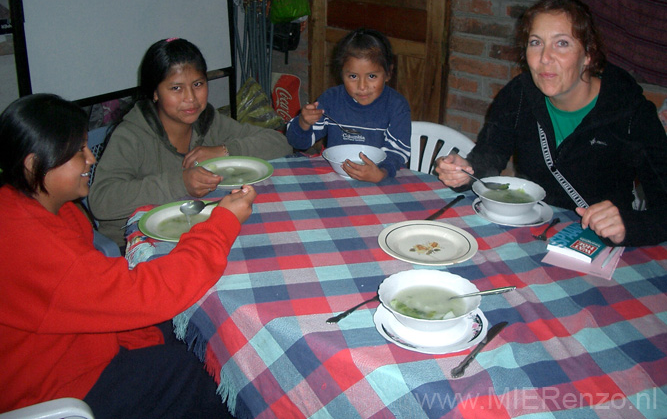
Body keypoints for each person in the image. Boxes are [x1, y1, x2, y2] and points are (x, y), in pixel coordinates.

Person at [0, 94, 256, 417]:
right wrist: (223, 224)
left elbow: (107, 292)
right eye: (78, 152)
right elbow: (146, 293)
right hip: (56, 388)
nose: (91, 159)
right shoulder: (29, 243)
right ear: (33, 164)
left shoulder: (47, 207)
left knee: (198, 331)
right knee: (194, 372)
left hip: (80, 343)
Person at [436, 0, 667, 247]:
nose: (545, 57)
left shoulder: (630, 112)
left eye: (562, 43)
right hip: (534, 234)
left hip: (603, 247)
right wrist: (465, 172)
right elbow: (488, 158)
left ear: (588, 54)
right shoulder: (518, 95)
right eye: (536, 43)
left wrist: (629, 225)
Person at [88, 38, 292, 247]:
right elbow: (102, 201)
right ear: (155, 93)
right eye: (176, 88)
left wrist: (225, 150)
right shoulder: (132, 135)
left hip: (191, 230)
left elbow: (280, 143)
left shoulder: (208, 122)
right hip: (137, 244)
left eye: (198, 84)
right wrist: (180, 182)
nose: (191, 98)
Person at [285, 28, 411, 182]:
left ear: (388, 73)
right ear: (341, 74)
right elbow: (298, 143)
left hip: (380, 180)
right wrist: (303, 123)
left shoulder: (396, 106)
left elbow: (397, 154)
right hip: (335, 177)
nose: (362, 86)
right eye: (353, 76)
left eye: (372, 76)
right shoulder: (331, 100)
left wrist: (381, 173)